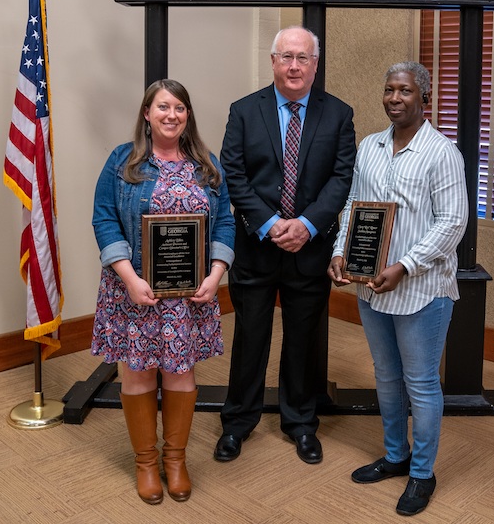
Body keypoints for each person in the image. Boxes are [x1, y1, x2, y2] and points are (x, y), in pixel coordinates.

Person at [329, 62, 468, 517]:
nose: (394, 98)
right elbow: (353, 206)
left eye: (404, 90)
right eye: (388, 89)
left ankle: (423, 474)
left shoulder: (442, 152)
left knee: (421, 384)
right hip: (371, 288)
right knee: (386, 378)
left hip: (422, 290)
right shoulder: (369, 147)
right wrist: (339, 252)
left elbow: (453, 223)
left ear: (423, 97)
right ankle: (395, 455)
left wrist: (405, 266)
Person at [215, 25, 356, 465]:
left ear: (315, 65)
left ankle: (300, 424)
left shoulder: (338, 114)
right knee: (250, 337)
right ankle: (238, 422)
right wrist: (273, 223)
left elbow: (341, 177)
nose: (294, 66)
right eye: (286, 57)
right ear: (273, 61)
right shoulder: (243, 110)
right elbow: (232, 173)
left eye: (303, 58)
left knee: (302, 341)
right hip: (258, 246)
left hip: (309, 249)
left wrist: (308, 225)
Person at [91, 79, 235, 505]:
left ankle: (175, 460)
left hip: (189, 298)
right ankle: (145, 462)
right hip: (135, 291)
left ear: (188, 115)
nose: (171, 115)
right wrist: (129, 278)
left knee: (180, 373)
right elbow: (104, 220)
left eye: (179, 108)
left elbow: (224, 221)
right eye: (162, 107)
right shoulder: (124, 161)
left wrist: (216, 272)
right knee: (137, 375)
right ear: (147, 114)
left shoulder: (206, 163)